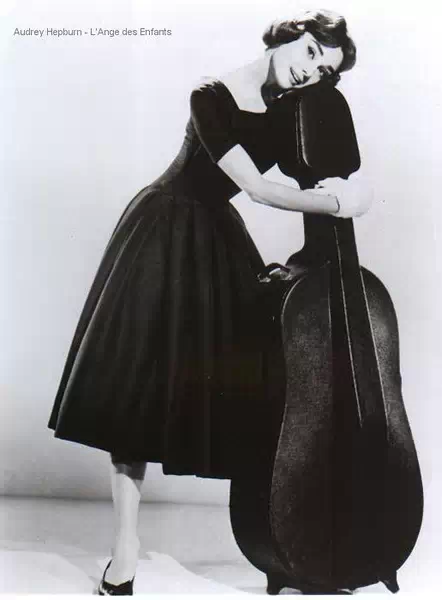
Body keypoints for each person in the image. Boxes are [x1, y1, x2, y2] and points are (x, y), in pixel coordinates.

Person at [47, 8, 371, 595]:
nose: (311, 73)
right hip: (163, 232)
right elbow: (258, 189)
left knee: (247, 379)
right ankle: (125, 545)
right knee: (137, 393)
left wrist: (348, 184)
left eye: (325, 72)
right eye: (310, 55)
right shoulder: (211, 96)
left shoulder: (288, 110)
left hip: (216, 237)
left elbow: (316, 171)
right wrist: (340, 203)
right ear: (290, 36)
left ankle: (289, 545)